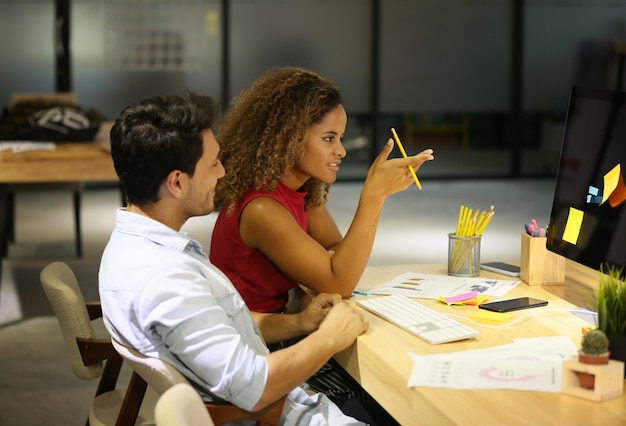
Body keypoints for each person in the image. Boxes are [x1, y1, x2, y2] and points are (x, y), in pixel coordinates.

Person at [98, 93, 371, 425]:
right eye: (214, 163)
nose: (223, 172)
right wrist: (330, 339)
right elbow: (253, 387)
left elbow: (218, 330)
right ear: (177, 182)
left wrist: (300, 323)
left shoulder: (134, 247)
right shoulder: (168, 280)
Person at [209, 67, 433, 420]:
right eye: (329, 138)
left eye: (340, 138)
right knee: (395, 408)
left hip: (282, 330)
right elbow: (340, 280)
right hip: (259, 355)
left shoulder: (300, 190)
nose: (341, 150)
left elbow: (337, 251)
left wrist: (330, 267)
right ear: (287, 137)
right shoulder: (262, 207)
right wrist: (373, 197)